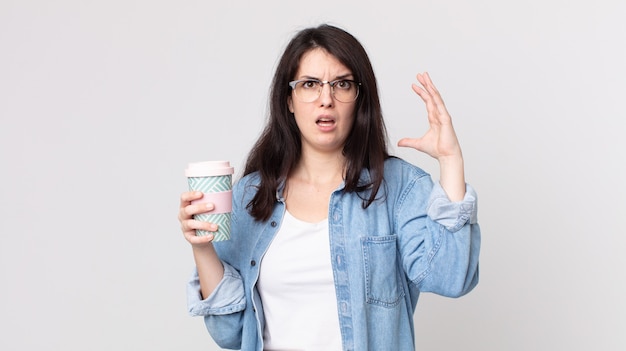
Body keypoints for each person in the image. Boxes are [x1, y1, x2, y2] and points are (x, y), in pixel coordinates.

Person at [178, 24, 480, 351]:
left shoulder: (398, 187)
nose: (326, 100)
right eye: (310, 84)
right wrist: (202, 246)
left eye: (342, 84)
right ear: (289, 100)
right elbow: (230, 333)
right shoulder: (252, 196)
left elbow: (451, 278)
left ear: (359, 98)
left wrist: (450, 161)